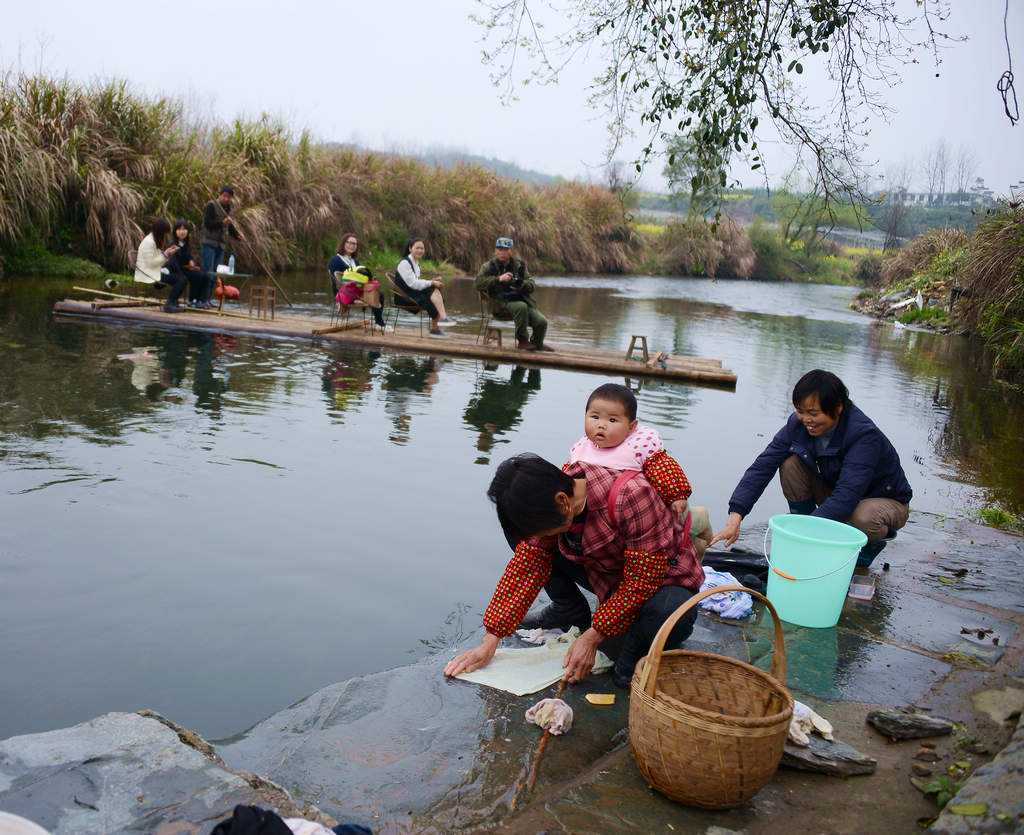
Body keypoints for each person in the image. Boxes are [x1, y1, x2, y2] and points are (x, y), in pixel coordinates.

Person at [443, 453, 705, 688]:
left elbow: (641, 582)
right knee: (528, 546)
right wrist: (490, 641)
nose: (542, 534)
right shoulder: (558, 495)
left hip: (662, 578)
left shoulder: (632, 495)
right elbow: (527, 565)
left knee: (649, 643)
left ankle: (634, 646)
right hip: (606, 571)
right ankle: (569, 609)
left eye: (545, 527)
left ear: (562, 501)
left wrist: (593, 637)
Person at [709, 369, 913, 567]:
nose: (806, 420)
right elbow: (763, 466)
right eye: (800, 411)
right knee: (790, 465)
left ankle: (869, 545)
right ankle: (810, 532)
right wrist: (735, 516)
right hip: (839, 490)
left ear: (838, 407)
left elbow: (848, 494)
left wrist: (801, 533)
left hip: (882, 500)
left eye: (813, 413)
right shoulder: (797, 425)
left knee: (863, 517)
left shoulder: (863, 435)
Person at [569, 383, 711, 556]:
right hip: (620, 511)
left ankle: (702, 519)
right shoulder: (582, 449)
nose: (601, 425)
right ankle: (698, 548)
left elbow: (664, 468)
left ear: (631, 426)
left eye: (612, 420)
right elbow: (571, 476)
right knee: (690, 545)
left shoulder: (636, 447)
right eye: (595, 417)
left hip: (659, 506)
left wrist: (676, 496)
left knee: (686, 524)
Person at [475, 237, 551, 351]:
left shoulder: (520, 266)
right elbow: (478, 284)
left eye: (505, 249)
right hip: (499, 303)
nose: (502, 252)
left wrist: (522, 285)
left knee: (541, 321)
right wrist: (498, 279)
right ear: (495, 251)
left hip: (520, 300)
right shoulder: (488, 266)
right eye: (500, 249)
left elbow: (532, 284)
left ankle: (537, 343)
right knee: (521, 306)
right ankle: (522, 340)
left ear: (511, 251)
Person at [394, 237, 455, 337]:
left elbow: (416, 282)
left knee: (434, 292)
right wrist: (431, 282)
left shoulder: (416, 263)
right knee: (431, 294)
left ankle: (439, 325)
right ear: (410, 248)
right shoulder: (405, 263)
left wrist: (431, 282)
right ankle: (439, 324)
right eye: (417, 248)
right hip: (403, 297)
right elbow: (413, 283)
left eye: (422, 248)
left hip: (411, 293)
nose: (420, 250)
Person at [328, 233, 385, 328]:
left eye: (354, 244)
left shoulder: (355, 261)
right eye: (349, 243)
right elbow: (335, 282)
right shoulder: (336, 260)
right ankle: (380, 323)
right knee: (376, 293)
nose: (351, 246)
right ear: (343, 244)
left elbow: (360, 279)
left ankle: (379, 323)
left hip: (357, 290)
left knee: (379, 292)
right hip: (344, 293)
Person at [135, 218, 187, 313]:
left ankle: (173, 302)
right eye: (164, 233)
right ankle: (169, 304)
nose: (165, 235)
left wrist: (167, 253)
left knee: (182, 277)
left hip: (154, 270)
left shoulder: (153, 239)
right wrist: (166, 254)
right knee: (181, 279)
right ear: (160, 231)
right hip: (148, 273)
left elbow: (157, 260)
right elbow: (151, 263)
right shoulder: (149, 242)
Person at [168, 220, 214, 308]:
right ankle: (192, 300)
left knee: (206, 276)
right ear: (175, 231)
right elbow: (173, 262)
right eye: (179, 229)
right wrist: (181, 275)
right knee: (197, 275)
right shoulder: (172, 244)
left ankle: (201, 300)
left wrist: (192, 261)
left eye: (184, 229)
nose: (182, 232)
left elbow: (190, 257)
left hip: (186, 270)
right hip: (176, 271)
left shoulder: (187, 244)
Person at [201, 185, 242, 277]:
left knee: (216, 276)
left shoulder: (230, 210)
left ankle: (212, 291)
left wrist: (237, 236)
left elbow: (229, 226)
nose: (226, 199)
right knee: (208, 275)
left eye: (229, 197)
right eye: (224, 196)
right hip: (209, 244)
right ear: (219, 195)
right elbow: (207, 223)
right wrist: (222, 223)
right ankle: (205, 292)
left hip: (220, 246)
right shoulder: (211, 205)